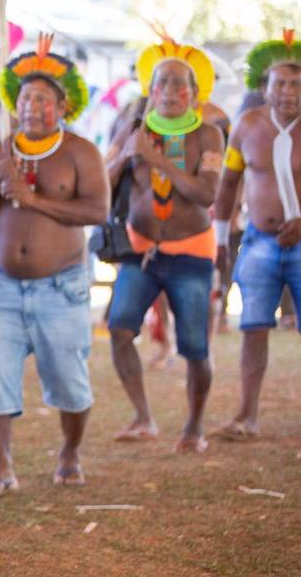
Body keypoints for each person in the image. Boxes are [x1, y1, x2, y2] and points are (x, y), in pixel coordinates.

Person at [0, 36, 109, 494]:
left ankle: (70, 451)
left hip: (62, 289)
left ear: (63, 105)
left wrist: (33, 199)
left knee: (71, 383)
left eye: (43, 99)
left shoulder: (80, 152)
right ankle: (1, 466)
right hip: (4, 288)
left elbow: (96, 212)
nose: (32, 106)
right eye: (26, 97)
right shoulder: (1, 150)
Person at [105, 31, 223, 453]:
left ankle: (194, 426)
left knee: (195, 347)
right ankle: (143, 416)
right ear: (150, 91)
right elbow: (103, 181)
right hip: (140, 251)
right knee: (119, 328)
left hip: (191, 252)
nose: (170, 91)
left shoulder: (209, 136)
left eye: (179, 84)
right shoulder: (132, 127)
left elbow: (206, 194)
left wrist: (156, 160)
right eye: (162, 84)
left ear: (193, 93)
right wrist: (123, 157)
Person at [211, 31, 301, 441]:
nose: (287, 91)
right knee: (253, 327)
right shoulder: (247, 126)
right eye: (279, 83)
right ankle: (246, 416)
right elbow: (228, 183)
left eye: (296, 83)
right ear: (264, 88)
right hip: (259, 242)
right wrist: (219, 235)